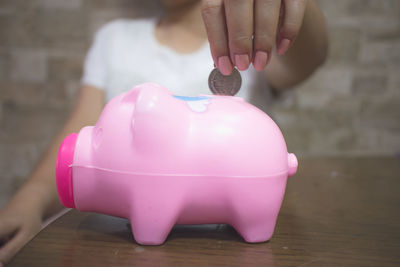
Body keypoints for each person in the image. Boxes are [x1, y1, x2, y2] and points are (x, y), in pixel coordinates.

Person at [0, 0, 328, 264]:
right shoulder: (115, 39)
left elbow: (310, 58)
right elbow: (79, 129)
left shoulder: (256, 42)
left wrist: (291, 11)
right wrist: (29, 199)